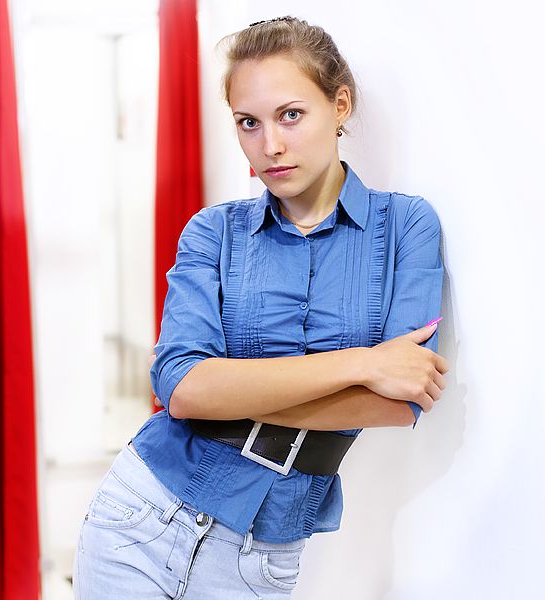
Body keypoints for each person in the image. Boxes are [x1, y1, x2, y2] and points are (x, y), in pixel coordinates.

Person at [73, 16, 448, 599]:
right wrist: (362, 362)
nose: (269, 145)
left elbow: (397, 404)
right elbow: (183, 389)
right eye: (249, 123)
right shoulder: (211, 232)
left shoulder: (406, 228)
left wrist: (229, 394)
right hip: (141, 520)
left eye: (290, 115)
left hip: (260, 556)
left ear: (340, 105)